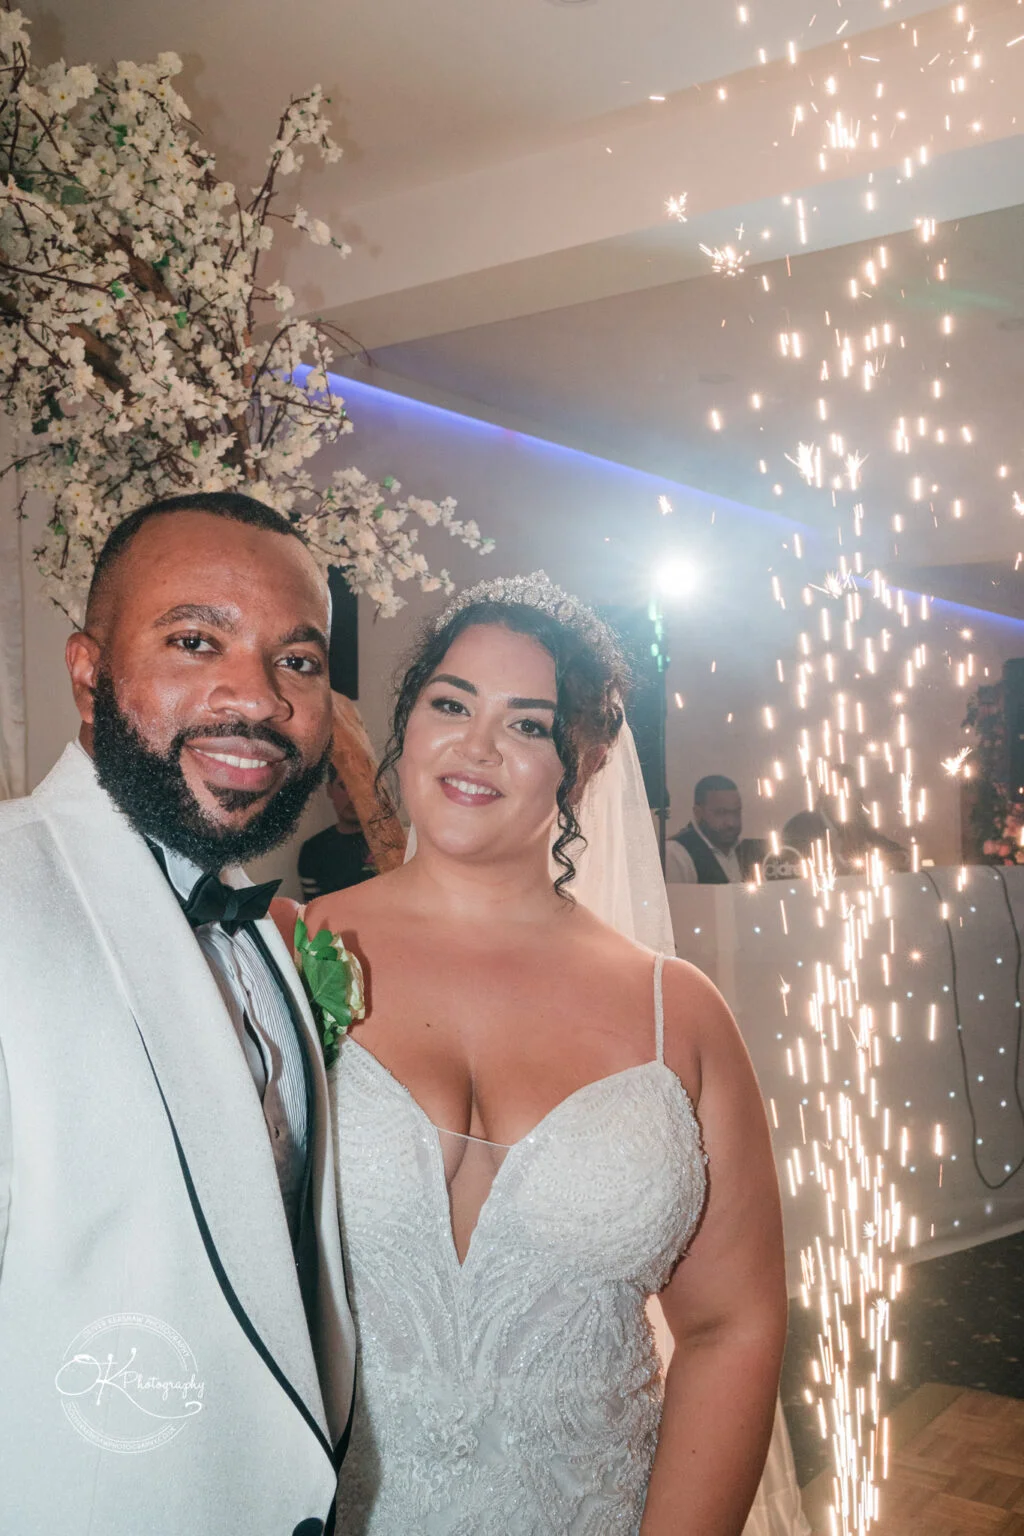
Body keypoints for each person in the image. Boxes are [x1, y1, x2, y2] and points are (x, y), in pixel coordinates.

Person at [288, 573, 788, 1534]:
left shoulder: (675, 1015)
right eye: (450, 704)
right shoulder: (286, 954)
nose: (475, 746)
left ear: (585, 760)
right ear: (407, 724)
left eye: (526, 725)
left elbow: (732, 1327)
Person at [0, 492, 354, 1535]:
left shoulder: (257, 928)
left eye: (297, 661)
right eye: (196, 640)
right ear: (87, 672)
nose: (254, 696)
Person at [666, 774, 763, 884]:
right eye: (721, 813)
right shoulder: (676, 854)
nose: (731, 823)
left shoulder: (747, 852)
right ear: (698, 813)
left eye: (736, 812)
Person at [299, 762, 374, 899]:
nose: (352, 796)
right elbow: (311, 912)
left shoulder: (388, 842)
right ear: (329, 790)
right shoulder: (313, 850)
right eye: (343, 786)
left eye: (359, 785)